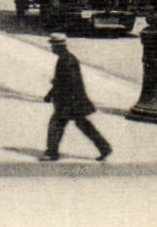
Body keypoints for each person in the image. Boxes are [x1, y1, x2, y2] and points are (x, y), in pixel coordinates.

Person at [41, 34, 112, 162]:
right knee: (83, 125)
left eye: (52, 45)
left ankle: (52, 152)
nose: (51, 48)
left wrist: (51, 94)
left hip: (70, 102)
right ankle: (104, 147)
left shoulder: (66, 60)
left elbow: (67, 82)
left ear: (58, 46)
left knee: (56, 125)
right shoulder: (66, 58)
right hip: (73, 101)